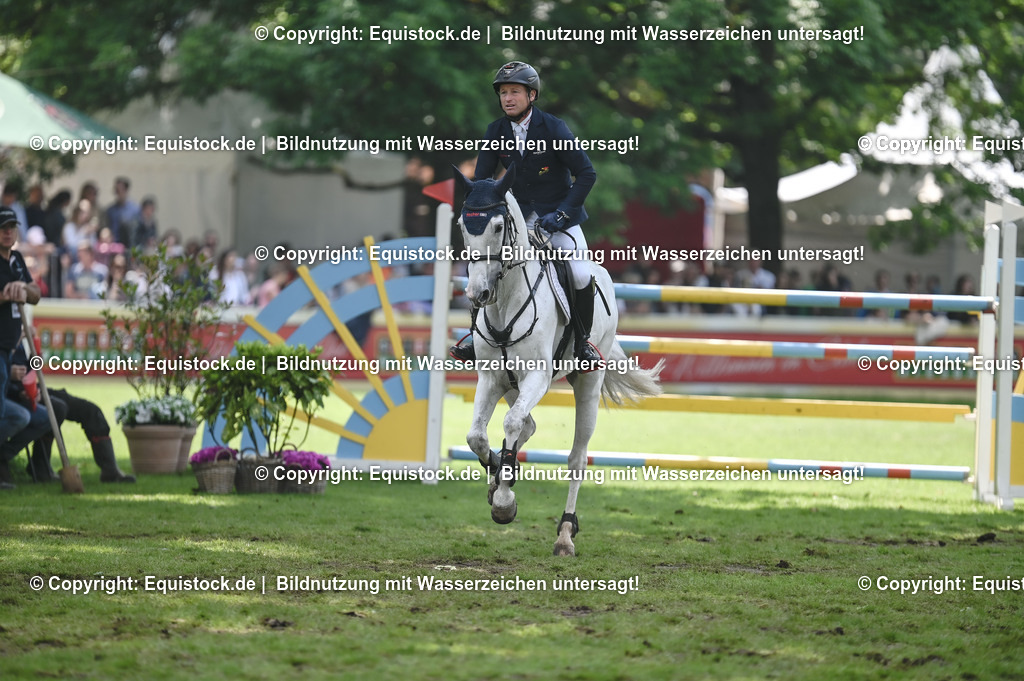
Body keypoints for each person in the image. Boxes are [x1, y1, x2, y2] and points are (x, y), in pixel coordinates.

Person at [450, 60, 600, 367]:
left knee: (581, 273)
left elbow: (586, 174)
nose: (507, 98)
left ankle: (582, 344)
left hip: (559, 217)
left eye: (514, 91)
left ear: (531, 95)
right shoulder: (496, 130)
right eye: (503, 92)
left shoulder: (554, 127)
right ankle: (475, 337)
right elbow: (482, 182)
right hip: (519, 220)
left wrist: (561, 215)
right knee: (484, 266)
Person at [6, 346, 134, 483]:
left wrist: (34, 359)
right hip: (11, 397)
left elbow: (28, 372)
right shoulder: (8, 334)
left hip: (33, 390)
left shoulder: (15, 332)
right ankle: (39, 466)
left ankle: (111, 471)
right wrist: (9, 371)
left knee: (91, 411)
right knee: (57, 408)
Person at [0, 206, 42, 490]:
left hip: (8, 348)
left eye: (12, 226)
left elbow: (36, 294)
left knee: (14, 414)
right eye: (3, 227)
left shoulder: (16, 259)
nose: (8, 231)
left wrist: (24, 290)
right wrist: (5, 295)